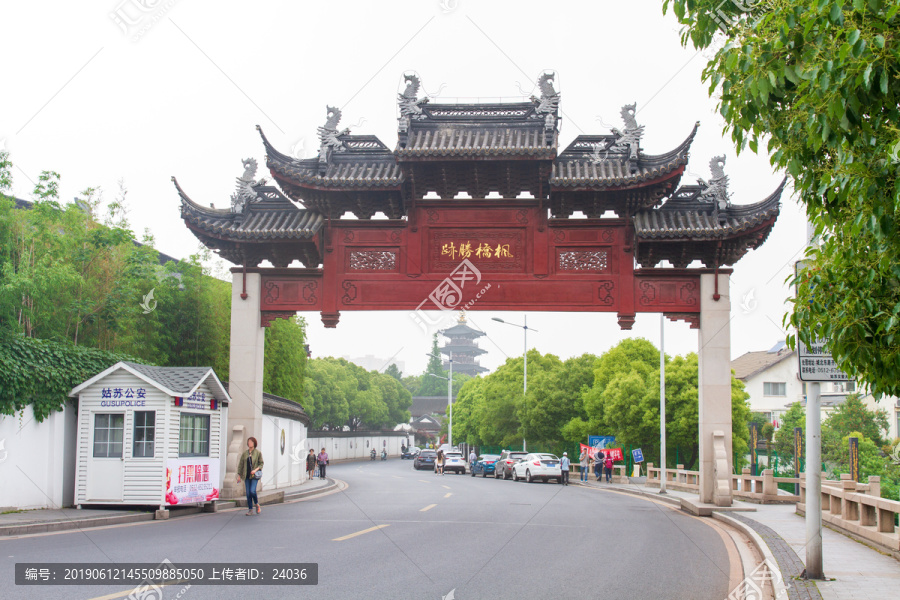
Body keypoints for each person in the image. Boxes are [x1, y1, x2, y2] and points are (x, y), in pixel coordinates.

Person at [236, 436, 264, 516]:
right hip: (246, 475)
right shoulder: (245, 453)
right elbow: (241, 465)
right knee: (248, 493)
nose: (249, 443)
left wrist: (255, 470)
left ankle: (257, 504)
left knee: (252, 491)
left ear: (254, 443)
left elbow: (261, 463)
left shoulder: (258, 453)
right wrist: (239, 475)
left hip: (254, 476)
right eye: (248, 442)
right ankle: (250, 509)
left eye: (251, 442)